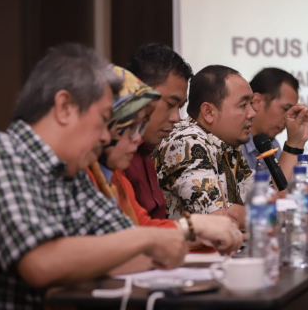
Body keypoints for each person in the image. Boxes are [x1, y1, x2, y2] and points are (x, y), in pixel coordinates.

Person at [0, 44, 237, 309]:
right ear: (65, 107)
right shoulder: (3, 160)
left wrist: (167, 241)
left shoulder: (70, 172)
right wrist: (163, 235)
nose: (104, 138)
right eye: (102, 120)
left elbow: (125, 247)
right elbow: (42, 264)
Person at [87, 65, 242, 251]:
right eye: (130, 127)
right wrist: (191, 228)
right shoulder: (185, 141)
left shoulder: (116, 175)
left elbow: (143, 227)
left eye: (141, 127)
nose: (137, 138)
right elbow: (105, 249)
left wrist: (195, 232)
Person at [154, 65, 255, 226]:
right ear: (208, 112)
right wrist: (271, 214)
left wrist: (294, 144)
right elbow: (217, 216)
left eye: (251, 104)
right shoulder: (186, 141)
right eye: (243, 105)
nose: (252, 113)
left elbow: (260, 196)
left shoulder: (227, 144)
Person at [124, 43, 192, 219]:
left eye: (180, 107)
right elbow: (133, 232)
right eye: (170, 104)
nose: (176, 118)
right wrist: (190, 229)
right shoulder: (117, 152)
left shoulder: (148, 149)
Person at [241, 67, 308, 180]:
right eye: (285, 109)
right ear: (257, 101)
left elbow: (282, 193)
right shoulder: (235, 145)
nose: (288, 118)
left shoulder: (273, 146)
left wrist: (296, 142)